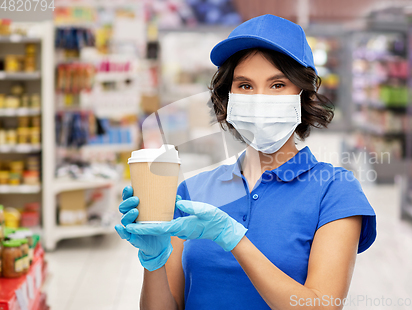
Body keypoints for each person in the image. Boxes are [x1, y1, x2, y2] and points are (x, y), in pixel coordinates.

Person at [115, 14, 376, 310]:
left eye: (277, 84)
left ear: (303, 96)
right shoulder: (193, 191)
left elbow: (322, 306)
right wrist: (154, 263)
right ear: (228, 97)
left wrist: (234, 239)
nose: (260, 98)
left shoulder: (334, 191)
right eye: (245, 86)